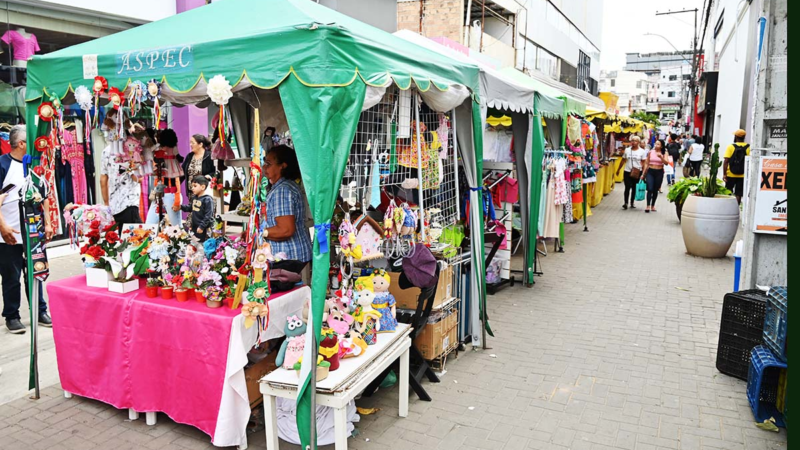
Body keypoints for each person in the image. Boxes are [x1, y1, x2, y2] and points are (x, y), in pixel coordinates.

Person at [0, 125, 53, 333]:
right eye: (30, 141)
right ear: (22, 144)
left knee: (36, 272)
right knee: (11, 277)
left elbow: (45, 195)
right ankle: (12, 316)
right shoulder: (3, 165)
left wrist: (47, 222)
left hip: (33, 233)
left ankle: (39, 310)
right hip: (8, 235)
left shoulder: (34, 165)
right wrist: (3, 226)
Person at [263, 145, 312, 264]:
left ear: (282, 166)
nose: (264, 167)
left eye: (269, 164)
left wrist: (259, 233)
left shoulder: (282, 190)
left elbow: (285, 230)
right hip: (293, 254)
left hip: (288, 257)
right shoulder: (284, 186)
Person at [101, 135, 141, 231]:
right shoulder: (131, 150)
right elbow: (139, 179)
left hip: (114, 204)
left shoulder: (106, 151)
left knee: (123, 236)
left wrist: (106, 203)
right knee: (136, 238)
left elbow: (103, 179)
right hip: (129, 202)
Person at [616, 136, 647, 210]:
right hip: (627, 171)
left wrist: (643, 173)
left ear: (639, 142)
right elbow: (623, 160)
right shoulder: (627, 150)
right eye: (632, 140)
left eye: (635, 141)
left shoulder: (642, 151)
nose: (633, 142)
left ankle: (632, 202)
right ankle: (625, 202)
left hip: (637, 172)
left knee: (634, 187)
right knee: (627, 187)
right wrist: (618, 170)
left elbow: (643, 163)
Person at [180, 175, 215, 242]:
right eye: (192, 186)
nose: (192, 188)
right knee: (195, 243)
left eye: (195, 186)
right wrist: (180, 207)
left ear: (203, 187)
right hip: (195, 226)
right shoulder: (195, 197)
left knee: (203, 243)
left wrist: (202, 226)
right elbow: (190, 208)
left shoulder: (207, 199)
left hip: (203, 228)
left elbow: (208, 215)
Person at [723, 129, 751, 204]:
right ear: (744, 137)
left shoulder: (731, 147)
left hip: (730, 174)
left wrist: (724, 174)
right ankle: (736, 208)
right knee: (738, 193)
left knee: (728, 191)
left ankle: (728, 206)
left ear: (736, 137)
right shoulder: (749, 147)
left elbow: (726, 161)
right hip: (742, 174)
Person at [642, 139, 669, 213]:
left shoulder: (664, 153)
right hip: (650, 171)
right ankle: (647, 205)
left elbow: (666, 163)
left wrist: (661, 157)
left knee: (655, 189)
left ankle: (653, 205)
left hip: (659, 172)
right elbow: (647, 163)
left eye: (658, 144)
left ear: (661, 146)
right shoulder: (651, 152)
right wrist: (643, 173)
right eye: (655, 144)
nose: (656, 145)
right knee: (650, 188)